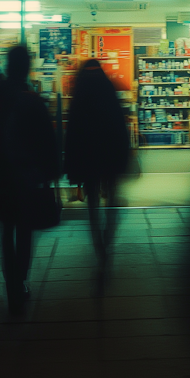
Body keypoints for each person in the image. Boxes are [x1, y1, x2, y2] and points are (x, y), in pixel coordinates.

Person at [0, 44, 60, 314]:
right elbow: (47, 141)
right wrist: (52, 172)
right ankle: (19, 281)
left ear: (7, 66)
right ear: (27, 67)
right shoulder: (32, 99)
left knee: (6, 230)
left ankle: (12, 284)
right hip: (27, 178)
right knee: (25, 229)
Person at [64, 59, 129, 288]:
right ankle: (108, 239)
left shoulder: (79, 93)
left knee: (92, 205)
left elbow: (72, 132)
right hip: (109, 156)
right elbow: (120, 126)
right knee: (111, 197)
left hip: (88, 159)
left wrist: (72, 165)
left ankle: (100, 248)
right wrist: (123, 157)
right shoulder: (108, 89)